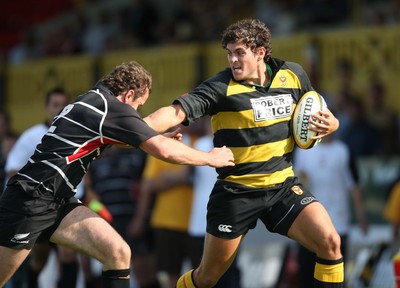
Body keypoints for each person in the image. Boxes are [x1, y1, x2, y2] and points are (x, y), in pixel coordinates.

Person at [143, 18, 342, 288]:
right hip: (236, 193)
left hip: (282, 187)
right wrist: (136, 129)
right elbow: (173, 113)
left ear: (260, 53)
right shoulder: (220, 87)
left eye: (239, 53)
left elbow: (318, 110)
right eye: (229, 53)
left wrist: (333, 123)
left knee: (330, 243)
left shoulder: (293, 75)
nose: (233, 60)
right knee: (207, 277)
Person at [0, 60, 235, 288]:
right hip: (29, 201)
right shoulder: (107, 107)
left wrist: (153, 138)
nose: (135, 113)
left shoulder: (94, 101)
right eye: (138, 106)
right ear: (129, 94)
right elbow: (163, 151)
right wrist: (210, 159)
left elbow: (122, 137)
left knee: (118, 252)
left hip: (58, 201)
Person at [4, 87, 82, 288]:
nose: (59, 109)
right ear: (46, 107)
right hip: (37, 206)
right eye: (55, 104)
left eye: (64, 105)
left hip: (66, 204)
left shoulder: (77, 135)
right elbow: (12, 170)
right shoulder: (31, 136)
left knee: (68, 252)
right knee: (40, 258)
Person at [130, 123, 202, 288]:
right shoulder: (165, 144)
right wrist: (139, 219)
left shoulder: (204, 143)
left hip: (199, 225)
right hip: (167, 221)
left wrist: (167, 178)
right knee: (170, 278)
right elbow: (147, 186)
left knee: (201, 279)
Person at [293, 134, 369, 288]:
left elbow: (354, 185)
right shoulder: (303, 150)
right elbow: (294, 182)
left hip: (338, 225)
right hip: (308, 224)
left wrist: (361, 215)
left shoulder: (343, 150)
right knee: (307, 275)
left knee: (335, 277)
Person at [84, 146, 161, 288]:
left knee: (144, 270)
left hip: (133, 220)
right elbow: (91, 194)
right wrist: (99, 217)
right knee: (111, 269)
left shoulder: (138, 154)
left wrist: (140, 219)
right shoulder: (95, 159)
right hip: (106, 223)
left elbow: (145, 187)